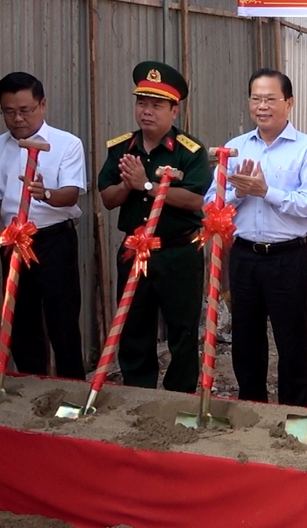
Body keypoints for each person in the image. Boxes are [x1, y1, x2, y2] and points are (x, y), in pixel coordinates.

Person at [212, 68, 307, 407]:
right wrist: (238, 193)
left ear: (288, 103)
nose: (262, 106)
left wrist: (267, 191)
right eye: (256, 98)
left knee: (290, 340)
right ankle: (252, 408)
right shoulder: (233, 150)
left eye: (270, 99)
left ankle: (294, 413)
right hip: (244, 256)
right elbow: (210, 202)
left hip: (287, 258)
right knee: (246, 339)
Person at [98, 61, 211, 393]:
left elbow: (194, 199)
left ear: (174, 110)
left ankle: (180, 396)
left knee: (183, 329)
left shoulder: (191, 150)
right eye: (142, 103)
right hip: (135, 249)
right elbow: (107, 197)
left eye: (157, 105)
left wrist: (146, 185)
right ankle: (138, 392)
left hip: (179, 251)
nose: (147, 111)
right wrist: (129, 185)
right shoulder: (121, 147)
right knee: (134, 326)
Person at [0, 71, 87, 380]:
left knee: (62, 320)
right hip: (13, 242)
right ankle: (31, 386)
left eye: (25, 110)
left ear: (42, 105)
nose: (17, 119)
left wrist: (46, 194)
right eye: (9, 112)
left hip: (54, 241)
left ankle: (71, 388)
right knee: (20, 319)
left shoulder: (67, 144)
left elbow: (71, 194)